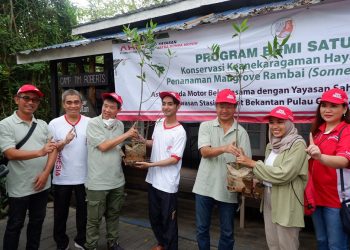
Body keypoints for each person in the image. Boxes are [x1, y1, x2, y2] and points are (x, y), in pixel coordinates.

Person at [236, 106, 308, 250]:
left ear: (289, 123)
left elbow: (284, 174)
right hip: (269, 197)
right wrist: (253, 175)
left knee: (287, 244)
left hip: (287, 200)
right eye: (271, 122)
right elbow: (268, 171)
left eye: (280, 122)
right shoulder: (271, 145)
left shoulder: (298, 144)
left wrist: (252, 163)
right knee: (273, 243)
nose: (275, 126)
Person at [192, 88, 251, 250]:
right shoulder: (206, 126)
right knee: (202, 228)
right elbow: (204, 152)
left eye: (229, 106)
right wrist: (225, 148)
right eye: (221, 106)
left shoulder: (242, 133)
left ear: (235, 108)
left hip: (228, 189)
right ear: (215, 107)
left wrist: (242, 158)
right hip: (204, 186)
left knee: (227, 232)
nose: (224, 110)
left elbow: (246, 164)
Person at [0, 84, 57, 250]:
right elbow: (10, 153)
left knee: (37, 222)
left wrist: (46, 173)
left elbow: (53, 150)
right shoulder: (5, 124)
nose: (31, 102)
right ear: (16, 99)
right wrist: (40, 152)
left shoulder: (42, 124)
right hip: (19, 185)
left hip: (42, 183)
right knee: (15, 224)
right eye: (26, 98)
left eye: (35, 99)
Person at [85, 92, 138, 250]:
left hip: (117, 180)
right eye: (105, 106)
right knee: (94, 219)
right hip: (97, 181)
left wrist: (125, 157)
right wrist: (127, 135)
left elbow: (116, 147)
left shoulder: (119, 125)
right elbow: (103, 146)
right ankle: (91, 245)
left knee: (114, 214)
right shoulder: (93, 123)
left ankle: (112, 242)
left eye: (112, 107)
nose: (107, 109)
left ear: (118, 110)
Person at [136, 91, 187, 250]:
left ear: (178, 106)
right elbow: (156, 143)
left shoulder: (180, 131)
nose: (166, 107)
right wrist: (143, 141)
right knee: (154, 216)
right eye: (164, 103)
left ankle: (171, 246)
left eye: (170, 104)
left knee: (168, 220)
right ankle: (162, 243)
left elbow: (174, 159)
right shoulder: (158, 122)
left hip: (168, 184)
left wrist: (150, 165)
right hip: (153, 180)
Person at [305, 88, 350, 249]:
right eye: (324, 105)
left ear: (344, 108)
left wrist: (320, 157)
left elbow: (344, 161)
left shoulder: (346, 130)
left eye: (334, 106)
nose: (327, 110)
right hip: (316, 197)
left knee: (336, 246)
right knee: (321, 241)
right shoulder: (318, 131)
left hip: (336, 200)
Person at [48, 89, 90, 250]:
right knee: (60, 212)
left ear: (81, 104)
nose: (73, 105)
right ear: (63, 104)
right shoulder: (54, 123)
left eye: (76, 102)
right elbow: (50, 149)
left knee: (84, 212)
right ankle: (61, 242)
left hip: (85, 176)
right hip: (62, 175)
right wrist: (64, 141)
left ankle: (81, 239)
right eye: (69, 102)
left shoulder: (90, 122)